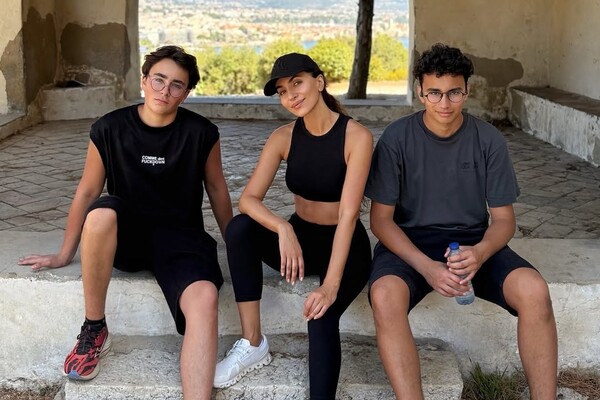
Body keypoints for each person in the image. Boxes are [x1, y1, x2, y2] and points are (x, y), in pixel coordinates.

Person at [18, 45, 232, 400]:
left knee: (206, 297)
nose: (165, 90)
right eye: (159, 79)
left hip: (181, 239)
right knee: (101, 212)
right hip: (127, 237)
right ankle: (94, 328)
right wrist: (63, 253)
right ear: (144, 80)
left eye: (176, 85)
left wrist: (235, 247)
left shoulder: (201, 133)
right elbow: (88, 191)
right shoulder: (109, 128)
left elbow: (218, 191)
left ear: (186, 93)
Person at [365, 43, 558, 399]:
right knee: (385, 296)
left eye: (454, 92)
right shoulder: (396, 138)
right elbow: (380, 221)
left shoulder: (488, 139)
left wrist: (480, 253)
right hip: (410, 243)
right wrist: (426, 267)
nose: (444, 103)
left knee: (534, 291)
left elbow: (504, 220)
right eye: (434, 93)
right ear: (420, 92)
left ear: (467, 91)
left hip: (473, 243)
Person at [213, 53, 373, 400]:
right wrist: (283, 229)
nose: (291, 96)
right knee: (240, 229)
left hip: (346, 245)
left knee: (321, 317)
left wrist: (330, 286)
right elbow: (248, 200)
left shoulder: (356, 137)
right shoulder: (283, 137)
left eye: (297, 83)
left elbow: (349, 215)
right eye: (283, 91)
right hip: (301, 239)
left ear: (319, 82)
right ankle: (252, 342)